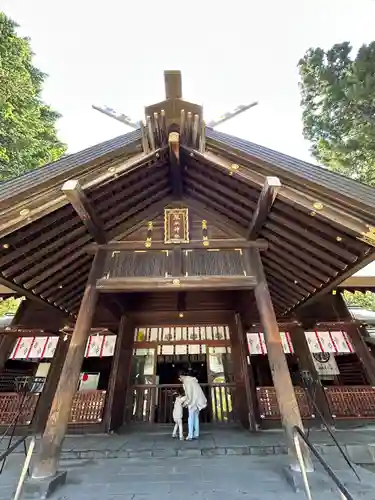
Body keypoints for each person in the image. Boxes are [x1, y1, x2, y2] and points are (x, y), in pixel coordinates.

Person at [179, 371, 207, 441]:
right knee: (196, 417)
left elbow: (190, 396)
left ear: (181, 376)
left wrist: (185, 403)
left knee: (190, 418)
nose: (180, 380)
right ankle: (196, 433)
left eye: (179, 378)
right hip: (199, 400)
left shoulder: (187, 382)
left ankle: (190, 435)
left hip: (193, 402)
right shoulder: (192, 380)